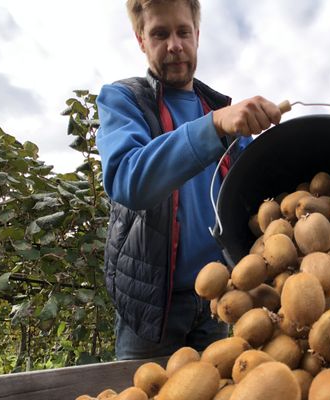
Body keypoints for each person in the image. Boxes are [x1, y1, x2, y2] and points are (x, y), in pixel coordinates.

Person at [96, 0, 282, 360]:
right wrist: (212, 127)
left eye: (183, 31)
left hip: (220, 301)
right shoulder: (124, 100)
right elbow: (127, 179)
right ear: (141, 41)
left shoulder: (226, 115)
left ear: (197, 35)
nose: (174, 45)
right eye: (160, 34)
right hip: (153, 309)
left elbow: (258, 201)